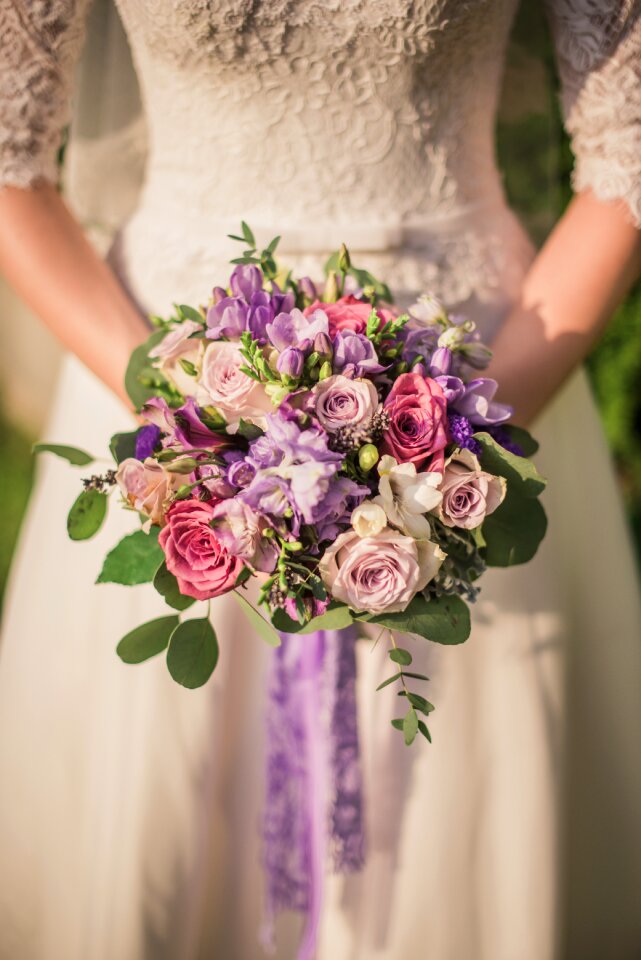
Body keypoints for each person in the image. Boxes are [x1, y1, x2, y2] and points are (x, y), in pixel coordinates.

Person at [0, 2, 640, 958]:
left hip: (486, 382)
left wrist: (453, 445)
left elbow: (625, 151)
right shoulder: (176, 420)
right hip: (161, 385)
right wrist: (194, 439)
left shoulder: (470, 426)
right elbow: (11, 162)